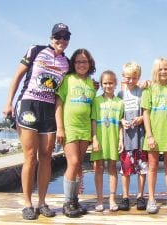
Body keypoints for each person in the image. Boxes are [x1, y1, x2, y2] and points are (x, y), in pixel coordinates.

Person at [2, 23, 71, 220]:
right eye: (58, 36)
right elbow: (17, 76)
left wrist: (94, 83)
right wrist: (8, 102)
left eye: (66, 37)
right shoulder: (36, 50)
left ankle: (42, 202)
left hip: (49, 110)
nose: (62, 40)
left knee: (46, 157)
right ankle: (27, 203)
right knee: (31, 157)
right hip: (28, 105)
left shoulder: (67, 62)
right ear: (51, 38)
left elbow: (75, 80)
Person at [55, 48, 96, 217]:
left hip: (84, 129)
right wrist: (60, 128)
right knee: (73, 162)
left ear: (90, 64)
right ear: (73, 63)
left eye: (84, 62)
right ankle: (67, 201)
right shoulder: (67, 80)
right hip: (70, 127)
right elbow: (58, 104)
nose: (81, 64)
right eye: (78, 61)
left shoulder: (91, 84)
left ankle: (74, 200)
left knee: (79, 164)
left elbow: (92, 108)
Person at [141, 57, 167, 214]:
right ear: (155, 71)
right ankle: (151, 199)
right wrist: (149, 136)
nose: (163, 71)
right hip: (154, 134)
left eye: (166, 68)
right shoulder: (149, 89)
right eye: (160, 69)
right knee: (152, 167)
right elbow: (145, 113)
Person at [91, 70, 124, 212]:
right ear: (101, 84)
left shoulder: (119, 102)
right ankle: (99, 199)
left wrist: (121, 140)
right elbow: (93, 121)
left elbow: (121, 124)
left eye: (111, 83)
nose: (108, 86)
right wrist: (94, 139)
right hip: (100, 138)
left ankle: (111, 199)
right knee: (98, 167)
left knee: (112, 168)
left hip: (113, 138)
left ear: (115, 84)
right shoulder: (96, 101)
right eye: (105, 83)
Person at [117, 62, 148, 211]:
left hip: (140, 137)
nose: (131, 81)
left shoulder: (142, 92)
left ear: (139, 77)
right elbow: (117, 116)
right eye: (128, 78)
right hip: (126, 138)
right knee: (126, 169)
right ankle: (125, 197)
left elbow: (147, 113)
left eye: (134, 78)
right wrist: (121, 121)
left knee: (142, 169)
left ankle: (140, 196)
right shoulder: (120, 95)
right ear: (123, 77)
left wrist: (141, 119)